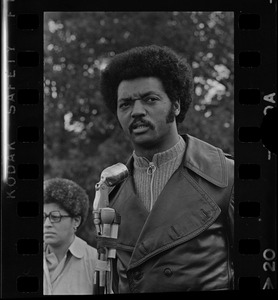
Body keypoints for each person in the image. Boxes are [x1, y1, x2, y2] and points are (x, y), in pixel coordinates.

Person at [99, 44, 234, 292]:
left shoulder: (227, 176)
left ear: (177, 105)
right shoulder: (109, 190)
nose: (137, 111)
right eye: (125, 104)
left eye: (150, 99)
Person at [43, 178, 98, 295]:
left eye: (55, 217)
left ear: (76, 221)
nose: (46, 224)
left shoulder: (95, 261)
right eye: (43, 217)